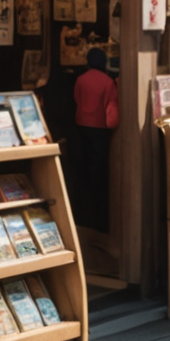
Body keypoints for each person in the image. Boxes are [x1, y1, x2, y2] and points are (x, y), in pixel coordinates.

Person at [72, 47, 118, 231]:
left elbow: (76, 99)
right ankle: (100, 210)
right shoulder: (108, 82)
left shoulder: (80, 80)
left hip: (82, 124)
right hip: (100, 128)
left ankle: (86, 208)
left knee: (84, 163)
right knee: (99, 168)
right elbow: (111, 105)